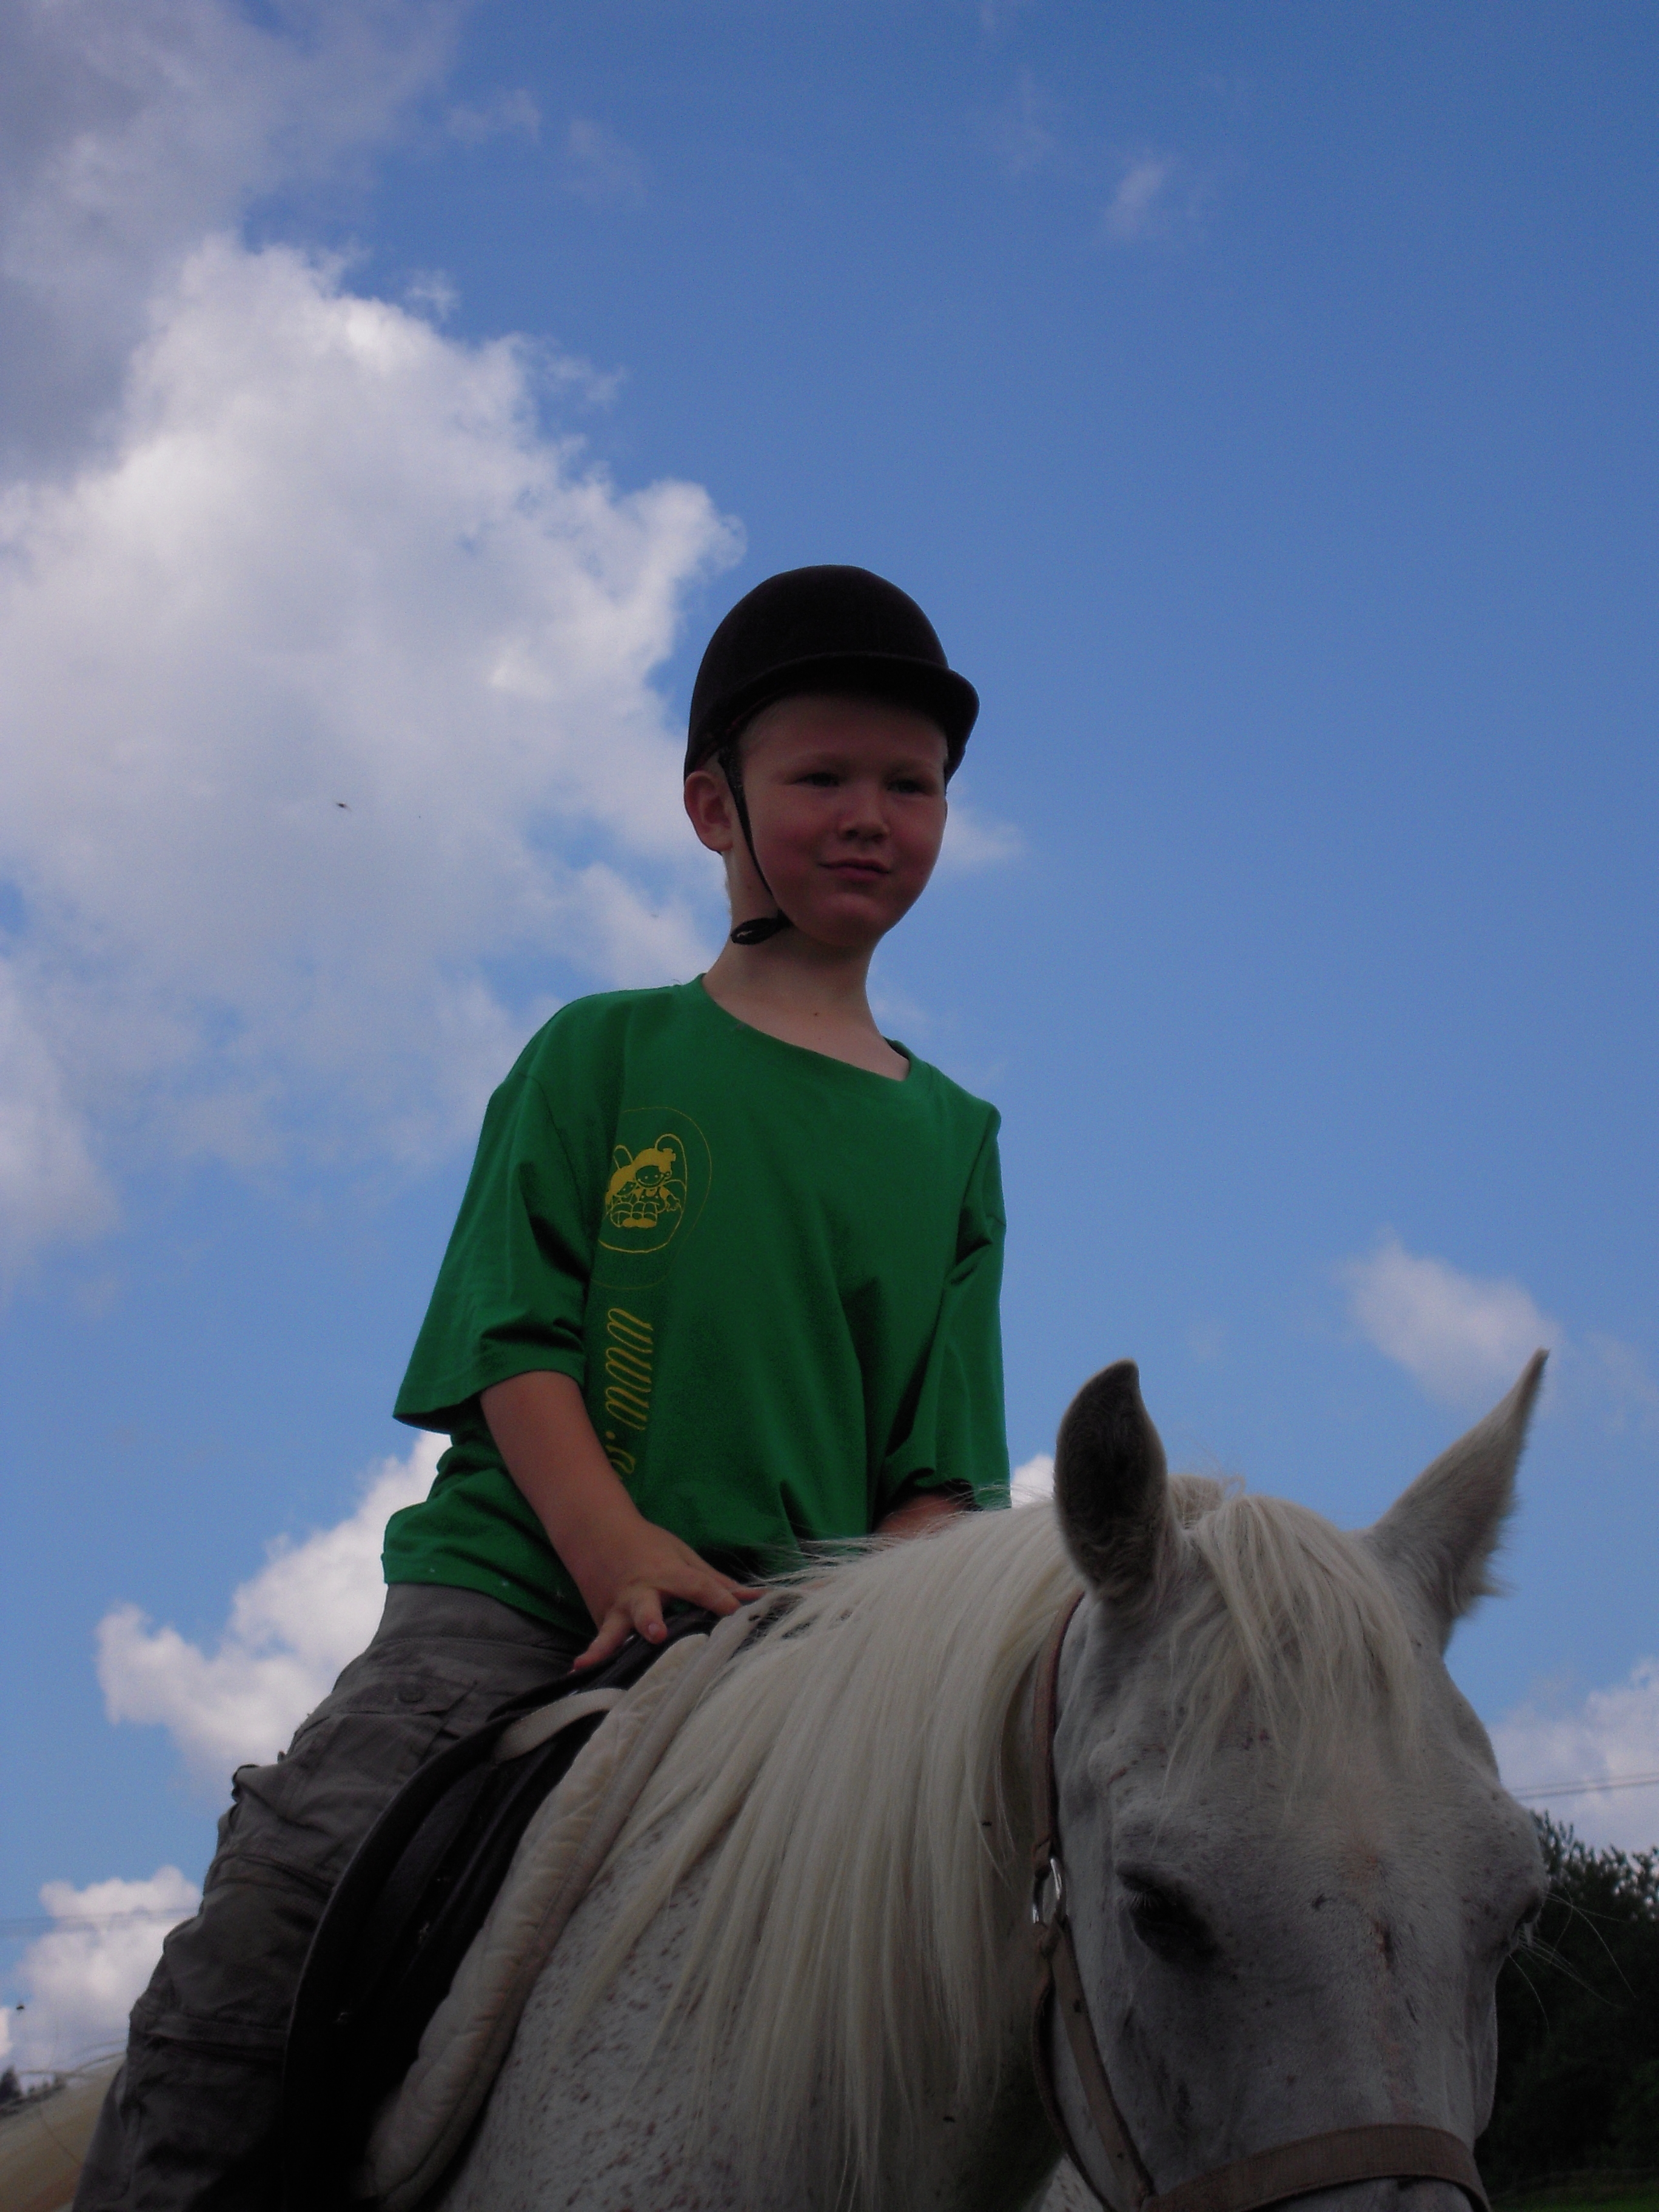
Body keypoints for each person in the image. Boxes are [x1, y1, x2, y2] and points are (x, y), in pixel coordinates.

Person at [76, 564, 1009, 2210]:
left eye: (911, 784)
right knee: (267, 1932)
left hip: (788, 1659)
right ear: (712, 806)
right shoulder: (602, 1053)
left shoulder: (957, 1141)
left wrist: (855, 1661)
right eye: (821, 776)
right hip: (514, 1608)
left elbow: (938, 1486)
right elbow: (511, 1339)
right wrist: (616, 1549)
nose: (871, 816)